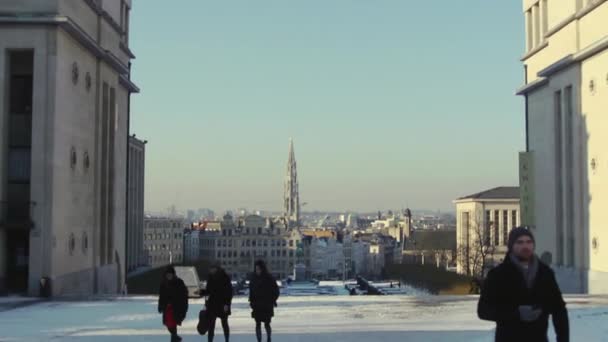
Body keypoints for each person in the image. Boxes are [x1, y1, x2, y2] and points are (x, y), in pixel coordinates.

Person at [478, 227, 569, 342]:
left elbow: (559, 309)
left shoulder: (545, 273)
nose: (525, 246)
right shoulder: (498, 275)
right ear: (511, 246)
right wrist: (516, 314)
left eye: (529, 242)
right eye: (520, 242)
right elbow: (483, 310)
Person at [249, 260, 280, 342]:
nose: (257, 271)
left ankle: (269, 338)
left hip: (266, 305)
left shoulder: (269, 278)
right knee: (257, 324)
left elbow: (276, 291)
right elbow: (251, 291)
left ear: (262, 269)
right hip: (257, 305)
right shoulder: (253, 278)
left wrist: (272, 300)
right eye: (256, 269)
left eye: (259, 269)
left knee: (267, 323)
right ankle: (259, 340)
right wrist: (251, 302)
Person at [201, 264, 233, 342]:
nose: (211, 271)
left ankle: (227, 340)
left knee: (224, 324)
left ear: (216, 269)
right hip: (212, 304)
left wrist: (227, 304)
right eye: (210, 269)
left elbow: (229, 292)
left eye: (212, 269)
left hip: (222, 304)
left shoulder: (225, 277)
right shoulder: (210, 278)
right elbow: (208, 291)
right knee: (211, 325)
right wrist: (202, 292)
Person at [158, 266, 189, 342]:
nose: (169, 276)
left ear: (173, 274)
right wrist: (160, 306)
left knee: (173, 323)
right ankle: (175, 337)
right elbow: (161, 296)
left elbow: (184, 295)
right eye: (167, 275)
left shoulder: (179, 282)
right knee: (168, 324)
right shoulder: (163, 284)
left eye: (170, 274)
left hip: (176, 307)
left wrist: (183, 307)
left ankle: (174, 339)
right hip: (167, 307)